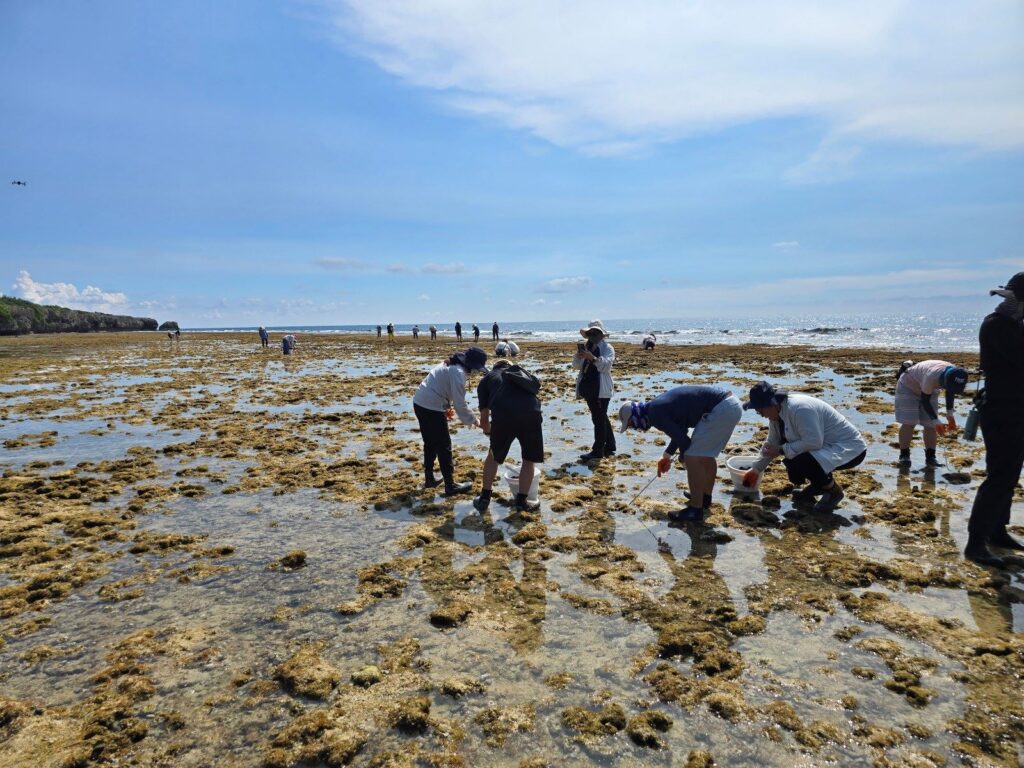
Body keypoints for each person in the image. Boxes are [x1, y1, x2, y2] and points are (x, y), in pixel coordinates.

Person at [965, 272, 1024, 566]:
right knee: (999, 475)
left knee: (1010, 474)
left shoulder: (1013, 323)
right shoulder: (998, 325)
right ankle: (976, 543)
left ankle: (997, 531)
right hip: (1001, 410)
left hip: (1014, 409)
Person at [618, 385, 743, 522]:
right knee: (705, 455)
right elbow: (681, 432)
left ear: (635, 415)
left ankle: (695, 510)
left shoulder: (655, 414)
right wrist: (666, 456)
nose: (636, 428)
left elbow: (684, 442)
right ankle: (704, 498)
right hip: (731, 404)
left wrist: (683, 458)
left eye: (631, 424)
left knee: (692, 456)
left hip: (721, 409)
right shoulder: (655, 407)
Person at [742, 381, 867, 513]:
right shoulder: (776, 414)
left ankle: (833, 492)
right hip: (825, 447)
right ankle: (818, 486)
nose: (761, 415)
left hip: (849, 448)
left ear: (769, 404)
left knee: (801, 461)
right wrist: (755, 470)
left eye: (759, 411)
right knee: (793, 466)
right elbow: (772, 443)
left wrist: (781, 450)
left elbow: (814, 442)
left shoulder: (800, 409)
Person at [412, 347, 488, 497]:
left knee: (430, 442)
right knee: (444, 445)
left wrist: (445, 407)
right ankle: (450, 485)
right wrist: (476, 421)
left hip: (420, 402)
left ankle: (429, 478)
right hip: (431, 406)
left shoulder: (451, 364)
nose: (476, 372)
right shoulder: (458, 373)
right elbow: (460, 405)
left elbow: (440, 386)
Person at [472, 359, 544, 513]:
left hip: (504, 415)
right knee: (528, 459)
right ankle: (522, 502)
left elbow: (484, 420)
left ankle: (484, 498)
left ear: (494, 367)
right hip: (532, 413)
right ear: (510, 366)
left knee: (493, 456)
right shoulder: (521, 374)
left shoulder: (487, 379)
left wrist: (489, 432)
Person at [894, 361, 969, 468]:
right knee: (909, 422)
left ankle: (931, 457)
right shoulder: (931, 376)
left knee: (930, 425)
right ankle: (904, 455)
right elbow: (925, 401)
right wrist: (935, 420)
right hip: (908, 387)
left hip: (930, 388)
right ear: (944, 380)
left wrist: (950, 415)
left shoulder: (957, 373)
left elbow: (950, 391)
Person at [573, 319, 616, 461]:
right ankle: (610, 446)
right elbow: (576, 365)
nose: (593, 336)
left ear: (602, 334)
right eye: (590, 333)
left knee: (598, 419)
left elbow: (606, 366)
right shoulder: (587, 347)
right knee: (600, 417)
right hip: (588, 387)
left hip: (601, 388)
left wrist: (593, 358)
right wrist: (579, 356)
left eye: (595, 333)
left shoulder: (607, 348)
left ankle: (598, 450)